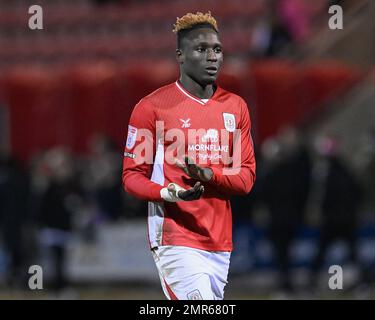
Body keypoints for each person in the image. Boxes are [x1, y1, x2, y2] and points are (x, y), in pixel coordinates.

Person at [122, 12, 256, 300]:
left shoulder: (235, 107)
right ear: (180, 55)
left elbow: (245, 180)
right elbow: (132, 177)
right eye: (201, 49)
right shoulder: (152, 108)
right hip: (174, 235)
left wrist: (211, 176)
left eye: (217, 49)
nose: (212, 57)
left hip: (219, 241)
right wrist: (167, 193)